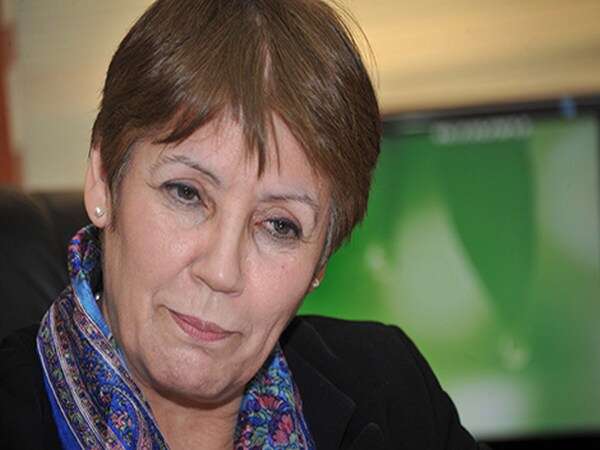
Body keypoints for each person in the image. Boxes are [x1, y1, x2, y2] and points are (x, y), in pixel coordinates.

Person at [0, 0, 488, 448]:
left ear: (322, 258)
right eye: (186, 193)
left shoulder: (394, 391)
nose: (221, 271)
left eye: (279, 226)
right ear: (103, 181)